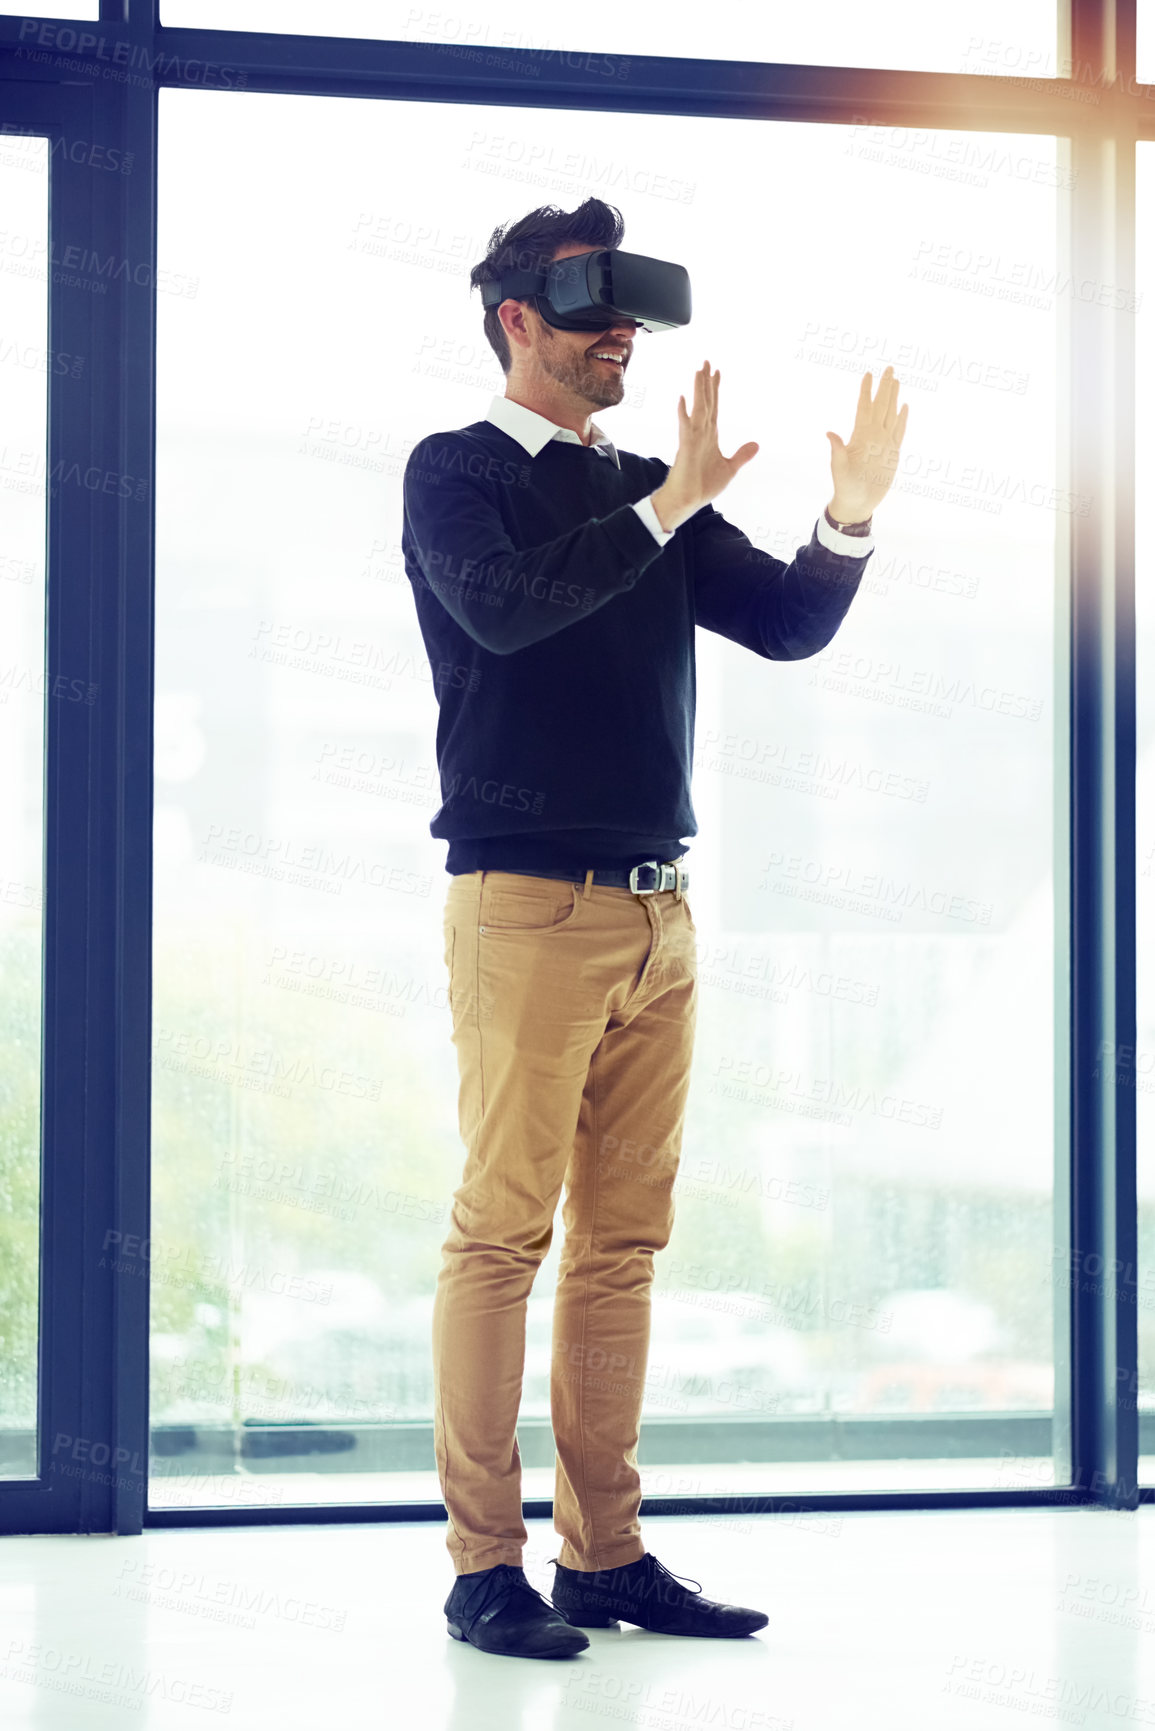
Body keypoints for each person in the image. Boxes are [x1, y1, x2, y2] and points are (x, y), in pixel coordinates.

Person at [401, 198, 908, 1661]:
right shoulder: (460, 474)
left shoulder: (653, 486)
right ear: (516, 323)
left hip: (657, 917)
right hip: (524, 907)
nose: (620, 338)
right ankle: (481, 1567)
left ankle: (601, 1558)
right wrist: (666, 504)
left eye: (630, 319)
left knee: (621, 1245)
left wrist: (847, 514)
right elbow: (503, 613)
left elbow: (790, 626)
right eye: (590, 316)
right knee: (503, 1234)